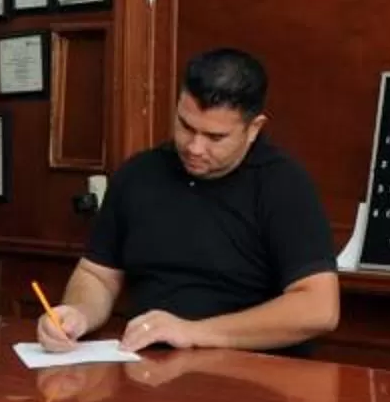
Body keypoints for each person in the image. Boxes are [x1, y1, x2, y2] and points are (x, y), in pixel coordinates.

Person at [36, 48, 342, 355]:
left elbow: (319, 309)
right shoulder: (138, 174)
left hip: (247, 371)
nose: (194, 147)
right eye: (185, 126)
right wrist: (78, 313)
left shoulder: (283, 184)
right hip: (147, 367)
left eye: (215, 137)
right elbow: (97, 276)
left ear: (254, 129)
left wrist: (193, 332)